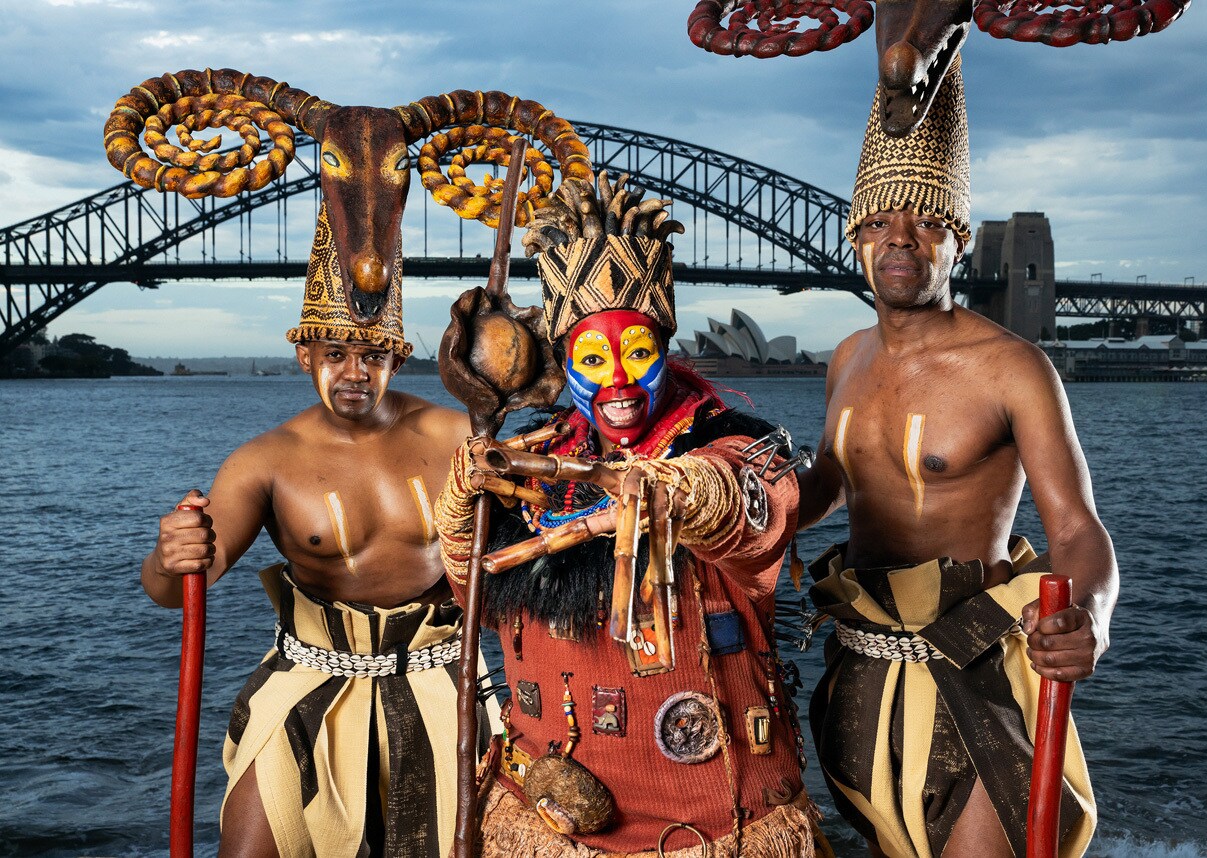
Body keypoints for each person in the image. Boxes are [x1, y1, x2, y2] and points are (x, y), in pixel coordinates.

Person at [433, 174, 825, 857]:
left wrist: (685, 490)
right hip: (548, 818)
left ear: (666, 349)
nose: (617, 381)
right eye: (593, 357)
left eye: (637, 353)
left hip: (713, 830)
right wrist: (461, 514)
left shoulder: (730, 442)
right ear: (564, 360)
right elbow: (479, 601)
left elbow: (756, 506)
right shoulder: (530, 464)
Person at [798, 56, 1111, 858]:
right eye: (880, 222)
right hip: (859, 664)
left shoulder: (1012, 367)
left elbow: (1076, 528)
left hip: (969, 667)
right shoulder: (845, 358)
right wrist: (723, 498)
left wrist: (1090, 618)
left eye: (927, 223)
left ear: (960, 242)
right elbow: (826, 488)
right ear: (855, 233)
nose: (900, 241)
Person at [141, 259, 497, 857]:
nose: (355, 374)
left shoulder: (460, 434)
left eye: (373, 358)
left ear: (397, 358)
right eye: (335, 355)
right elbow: (178, 589)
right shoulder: (265, 461)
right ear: (305, 355)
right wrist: (167, 556)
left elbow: (545, 528)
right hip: (305, 686)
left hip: (447, 684)